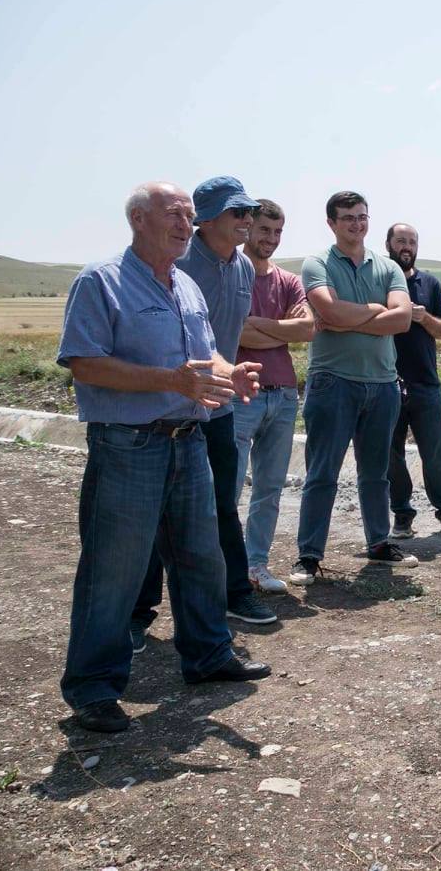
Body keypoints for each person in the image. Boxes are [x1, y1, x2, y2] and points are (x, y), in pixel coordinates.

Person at [57, 182, 271, 733]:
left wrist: (230, 372)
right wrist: (171, 381)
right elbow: (84, 363)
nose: (184, 224)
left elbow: (205, 355)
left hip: (189, 440)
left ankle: (208, 655)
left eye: (189, 215)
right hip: (128, 446)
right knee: (115, 570)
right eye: (173, 213)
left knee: (202, 556)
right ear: (138, 219)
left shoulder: (186, 285)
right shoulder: (100, 281)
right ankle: (93, 688)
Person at [132, 176, 278, 636]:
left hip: (220, 406)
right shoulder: (179, 262)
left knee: (222, 504)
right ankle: (138, 614)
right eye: (238, 213)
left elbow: (222, 338)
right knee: (158, 512)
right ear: (208, 219)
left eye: (249, 212)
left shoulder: (242, 268)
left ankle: (235, 593)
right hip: (171, 407)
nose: (247, 220)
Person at [290, 191, 417, 585]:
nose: (356, 224)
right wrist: (376, 311)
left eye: (362, 217)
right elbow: (327, 309)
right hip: (333, 382)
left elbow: (402, 320)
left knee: (376, 473)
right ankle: (308, 555)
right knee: (322, 473)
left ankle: (379, 543)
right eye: (347, 218)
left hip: (382, 383)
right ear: (332, 223)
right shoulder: (317, 263)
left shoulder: (388, 267)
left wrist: (348, 317)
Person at [233, 199, 315, 593]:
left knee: (269, 489)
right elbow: (233, 331)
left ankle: (256, 565)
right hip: (240, 393)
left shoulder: (289, 280)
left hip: (282, 394)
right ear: (248, 228)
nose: (271, 238)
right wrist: (282, 328)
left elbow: (308, 329)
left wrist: (258, 325)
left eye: (278, 231)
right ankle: (224, 569)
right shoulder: (230, 274)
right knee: (229, 488)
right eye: (265, 229)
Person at [385, 223, 441, 540]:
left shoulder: (429, 283)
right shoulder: (380, 281)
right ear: (388, 244)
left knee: (435, 454)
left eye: (412, 242)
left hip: (426, 384)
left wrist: (423, 317)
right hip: (386, 383)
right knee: (391, 456)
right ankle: (402, 515)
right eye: (400, 241)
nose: (407, 247)